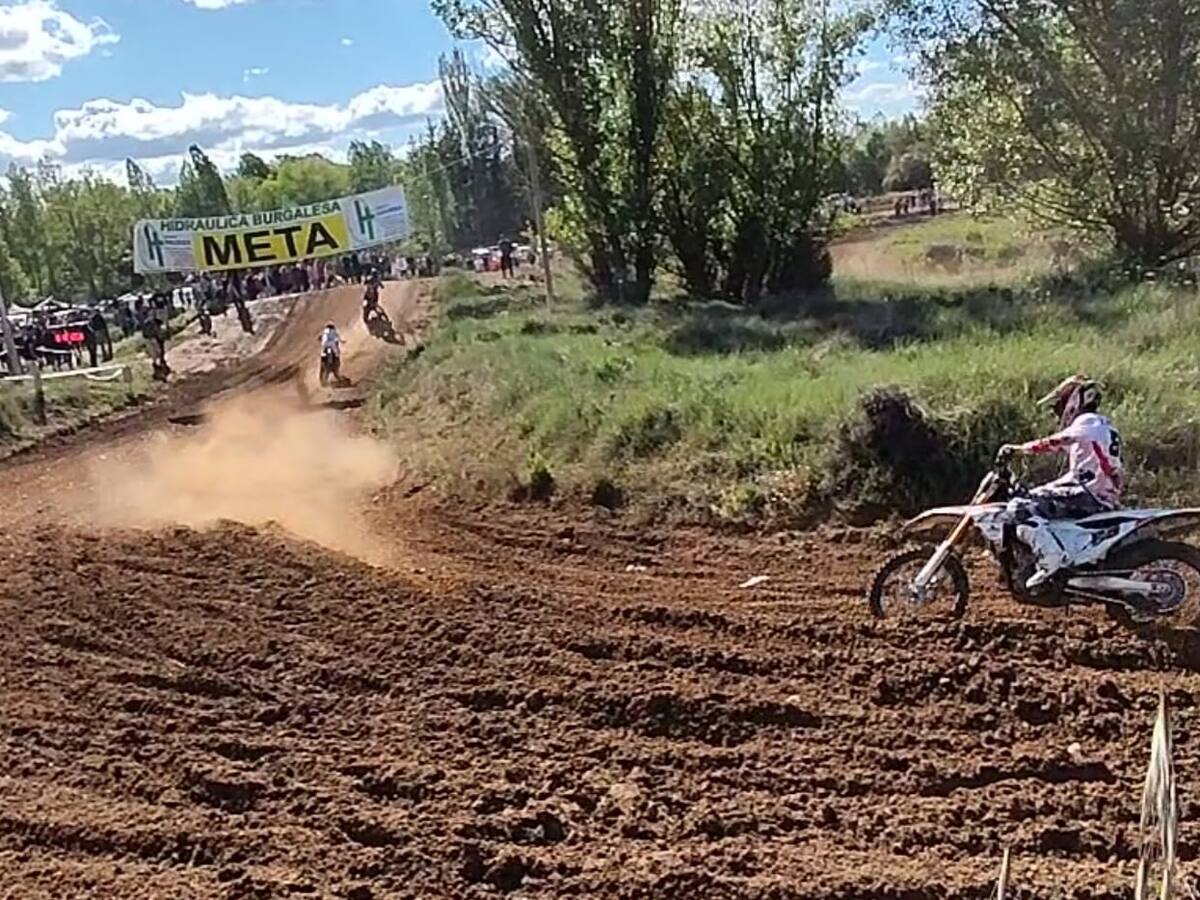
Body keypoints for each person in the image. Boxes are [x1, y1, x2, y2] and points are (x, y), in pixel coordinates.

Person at [999, 376, 1124, 587]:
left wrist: (1020, 449)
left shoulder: (1087, 422)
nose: (1058, 408)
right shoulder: (1103, 425)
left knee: (1019, 507)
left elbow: (1058, 441)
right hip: (1097, 491)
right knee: (1032, 495)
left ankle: (1051, 558)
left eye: (1062, 401)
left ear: (1076, 400)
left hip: (1089, 494)